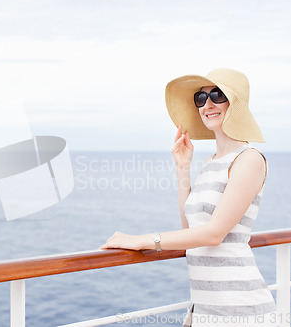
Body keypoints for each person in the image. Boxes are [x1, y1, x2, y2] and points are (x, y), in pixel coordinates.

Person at [100, 68, 277, 326]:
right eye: (200, 98)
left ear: (236, 105)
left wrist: (141, 240)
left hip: (240, 309)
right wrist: (183, 168)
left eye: (217, 95)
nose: (208, 104)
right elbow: (191, 231)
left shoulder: (249, 159)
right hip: (205, 308)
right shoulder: (211, 162)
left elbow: (214, 234)